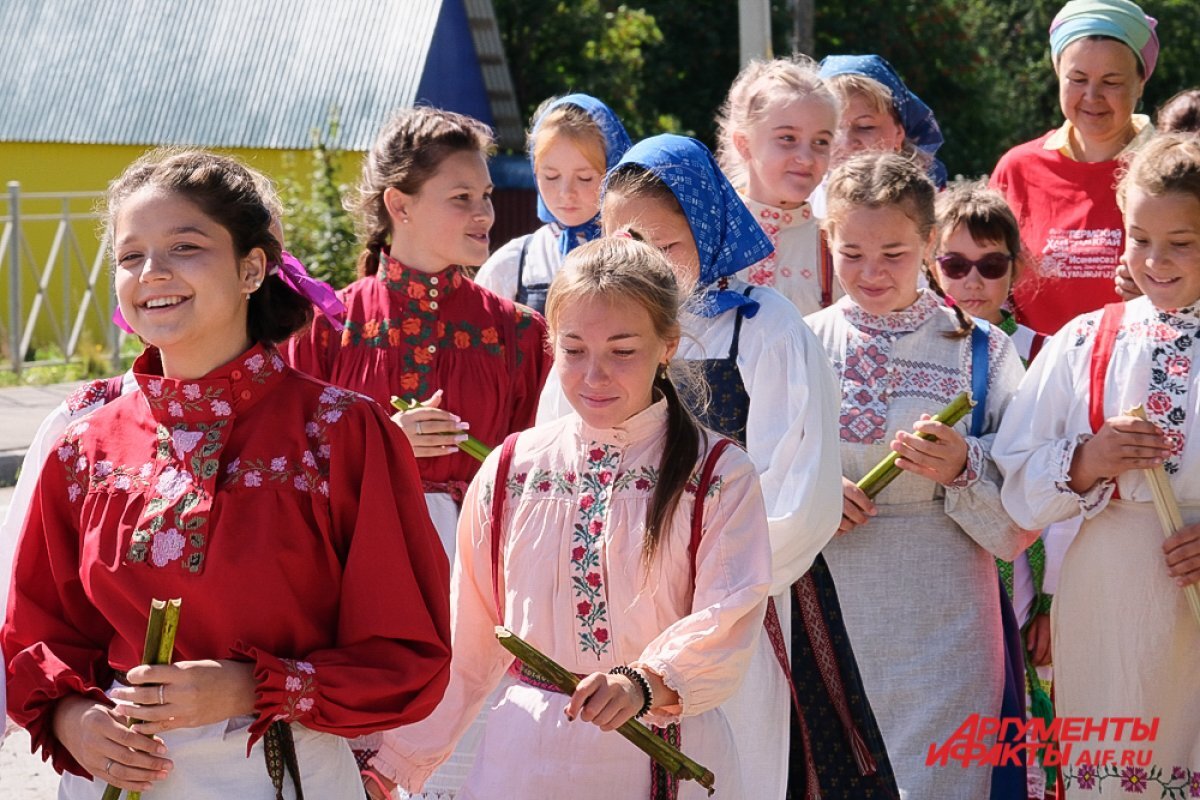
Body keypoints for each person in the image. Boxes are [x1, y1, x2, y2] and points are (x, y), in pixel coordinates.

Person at [1, 150, 451, 799]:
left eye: (185, 246)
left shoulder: (343, 434)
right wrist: (72, 718)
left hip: (281, 771)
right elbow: (36, 631)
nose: (152, 273)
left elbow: (407, 655)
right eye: (131, 257)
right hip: (115, 777)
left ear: (252, 268)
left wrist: (248, 685)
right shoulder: (84, 447)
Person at [366, 236, 773, 799]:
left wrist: (646, 682)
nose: (594, 376)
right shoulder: (513, 469)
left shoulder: (718, 474)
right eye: (574, 350)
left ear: (668, 346)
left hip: (656, 750)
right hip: (525, 759)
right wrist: (394, 764)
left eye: (622, 351)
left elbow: (728, 613)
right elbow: (469, 641)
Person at [595, 135, 896, 799]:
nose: (638, 264)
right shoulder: (597, 336)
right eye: (622, 243)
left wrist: (714, 582)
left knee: (748, 764)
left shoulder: (766, 328)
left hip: (747, 600)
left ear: (707, 229)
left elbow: (799, 488)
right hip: (625, 594)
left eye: (661, 245)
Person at [806, 152, 1034, 798]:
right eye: (852, 253)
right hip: (832, 616)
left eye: (894, 253)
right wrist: (811, 500)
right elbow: (758, 481)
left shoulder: (985, 349)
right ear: (828, 242)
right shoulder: (799, 346)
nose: (871, 273)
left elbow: (1025, 506)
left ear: (930, 243)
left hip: (949, 623)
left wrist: (965, 466)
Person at [993, 132, 1200, 800]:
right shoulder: (1086, 339)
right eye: (1139, 238)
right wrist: (1085, 461)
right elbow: (1016, 487)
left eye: (1182, 242)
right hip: (1107, 598)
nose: (1156, 260)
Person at [286, 107, 552, 554]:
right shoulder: (324, 326)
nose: (484, 213)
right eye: (461, 197)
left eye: (485, 195)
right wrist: (382, 448)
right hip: (355, 563)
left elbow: (543, 475)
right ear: (399, 204)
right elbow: (286, 463)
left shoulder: (521, 335)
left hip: (481, 566)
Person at [930, 180, 1057, 800]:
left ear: (1016, 271)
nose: (972, 280)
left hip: (1024, 570)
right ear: (931, 265)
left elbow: (1062, 491)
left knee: (1028, 728)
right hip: (941, 573)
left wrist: (1055, 601)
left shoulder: (1046, 355)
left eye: (991, 265)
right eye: (955, 264)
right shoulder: (920, 350)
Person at [990, 0, 1159, 336]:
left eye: (1112, 81)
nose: (1092, 96)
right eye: (1078, 78)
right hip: (1034, 378)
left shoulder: (1171, 173)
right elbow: (982, 287)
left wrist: (1161, 298)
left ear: (1141, 83)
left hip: (1140, 375)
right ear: (1057, 75)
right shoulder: (1018, 169)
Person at [473, 94, 631, 315]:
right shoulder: (512, 266)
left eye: (585, 178)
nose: (566, 193)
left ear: (614, 173)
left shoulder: (639, 259)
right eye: (550, 176)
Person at [715, 56, 844, 315]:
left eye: (821, 142)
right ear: (744, 143)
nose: (806, 158)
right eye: (787, 138)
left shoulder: (837, 246)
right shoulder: (711, 236)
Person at [817, 53, 949, 197]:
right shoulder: (798, 201)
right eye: (833, 127)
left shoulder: (928, 206)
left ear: (899, 133)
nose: (846, 143)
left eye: (865, 126)